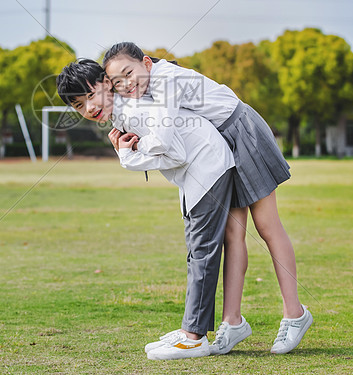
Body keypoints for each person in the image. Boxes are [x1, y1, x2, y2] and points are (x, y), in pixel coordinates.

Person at [102, 42, 312, 355]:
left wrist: (130, 150)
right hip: (221, 145)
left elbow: (163, 138)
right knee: (231, 234)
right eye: (117, 81)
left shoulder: (165, 81)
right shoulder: (145, 88)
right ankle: (233, 322)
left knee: (268, 227)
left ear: (146, 62)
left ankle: (295, 314)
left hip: (242, 131)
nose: (126, 83)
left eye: (129, 73)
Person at [56, 58, 235, 360]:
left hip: (207, 167)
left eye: (90, 95)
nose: (89, 108)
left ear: (106, 83)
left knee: (202, 251)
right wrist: (132, 152)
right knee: (196, 251)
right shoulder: (124, 112)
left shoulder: (134, 111)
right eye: (78, 105)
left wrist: (128, 156)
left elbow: (174, 152)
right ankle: (191, 330)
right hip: (198, 172)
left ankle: (194, 337)